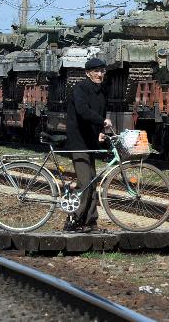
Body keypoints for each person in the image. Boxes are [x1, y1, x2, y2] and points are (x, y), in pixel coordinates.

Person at [64, 57, 111, 232]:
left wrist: (100, 129)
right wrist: (103, 121)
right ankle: (74, 221)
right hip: (78, 141)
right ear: (88, 73)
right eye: (96, 71)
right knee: (85, 183)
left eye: (102, 71)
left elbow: (100, 111)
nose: (100, 74)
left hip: (90, 141)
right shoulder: (80, 88)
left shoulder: (102, 90)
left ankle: (90, 222)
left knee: (92, 181)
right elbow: (83, 111)